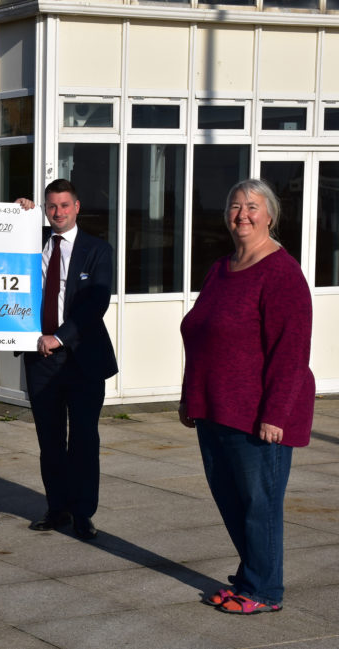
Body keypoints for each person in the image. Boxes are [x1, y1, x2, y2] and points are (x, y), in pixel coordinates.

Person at [179, 178, 314, 615]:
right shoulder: (221, 268)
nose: (243, 215)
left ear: (270, 215)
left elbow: (291, 350)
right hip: (215, 406)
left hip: (258, 415)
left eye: (253, 207)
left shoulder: (281, 272)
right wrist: (190, 397)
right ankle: (251, 575)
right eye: (236, 206)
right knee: (231, 500)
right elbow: (199, 334)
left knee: (260, 505)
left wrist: (276, 413)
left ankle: (264, 590)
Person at [18, 179, 118, 540]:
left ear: (77, 207)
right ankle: (56, 508)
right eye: (50, 206)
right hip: (40, 361)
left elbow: (96, 303)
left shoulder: (97, 250)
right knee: (50, 442)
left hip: (83, 359)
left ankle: (83, 513)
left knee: (84, 441)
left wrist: (59, 338)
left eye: (64, 205)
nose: (57, 212)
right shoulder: (31, 240)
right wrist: (19, 212)